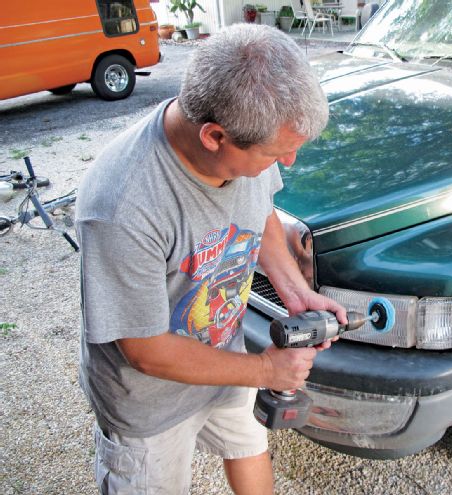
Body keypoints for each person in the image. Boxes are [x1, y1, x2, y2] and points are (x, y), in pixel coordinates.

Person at [75, 24, 346, 495]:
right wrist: (265, 371)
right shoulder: (121, 205)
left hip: (226, 363)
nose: (290, 162)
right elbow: (146, 351)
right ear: (214, 136)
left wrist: (297, 293)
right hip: (149, 403)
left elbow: (258, 215)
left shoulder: (246, 142)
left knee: (247, 448)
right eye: (278, 153)